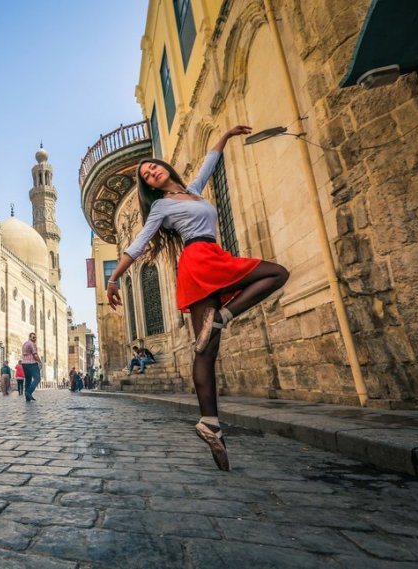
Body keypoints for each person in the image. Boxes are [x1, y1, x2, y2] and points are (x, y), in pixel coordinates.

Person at [106, 125, 289, 471]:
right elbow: (139, 243)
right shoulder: (160, 207)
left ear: (164, 167)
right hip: (197, 261)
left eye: (153, 167)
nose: (153, 173)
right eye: (147, 176)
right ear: (150, 186)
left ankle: (222, 321)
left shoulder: (192, 191)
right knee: (206, 349)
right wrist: (114, 278)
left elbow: (210, 161)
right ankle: (211, 422)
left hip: (215, 255)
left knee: (276, 273)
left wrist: (227, 135)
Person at [21, 332, 42, 402]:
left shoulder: (25, 344)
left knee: (28, 380)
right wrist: (39, 362)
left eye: (35, 337)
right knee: (37, 378)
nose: (35, 339)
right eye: (33, 337)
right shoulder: (32, 344)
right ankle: (29, 392)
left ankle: (27, 398)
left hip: (24, 364)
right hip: (31, 363)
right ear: (30, 337)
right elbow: (35, 355)